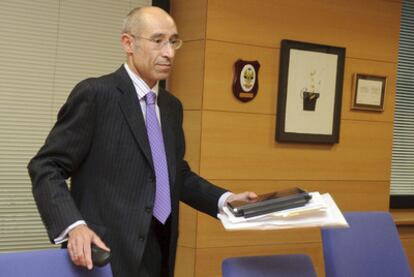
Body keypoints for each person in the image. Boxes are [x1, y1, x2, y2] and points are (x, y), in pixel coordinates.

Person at [28, 6, 257, 277]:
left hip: (158, 252)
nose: (169, 52)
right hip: (103, 254)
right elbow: (46, 166)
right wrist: (73, 225)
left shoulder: (172, 107)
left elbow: (174, 174)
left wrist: (224, 199)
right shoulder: (96, 95)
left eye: (173, 41)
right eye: (158, 41)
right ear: (128, 43)